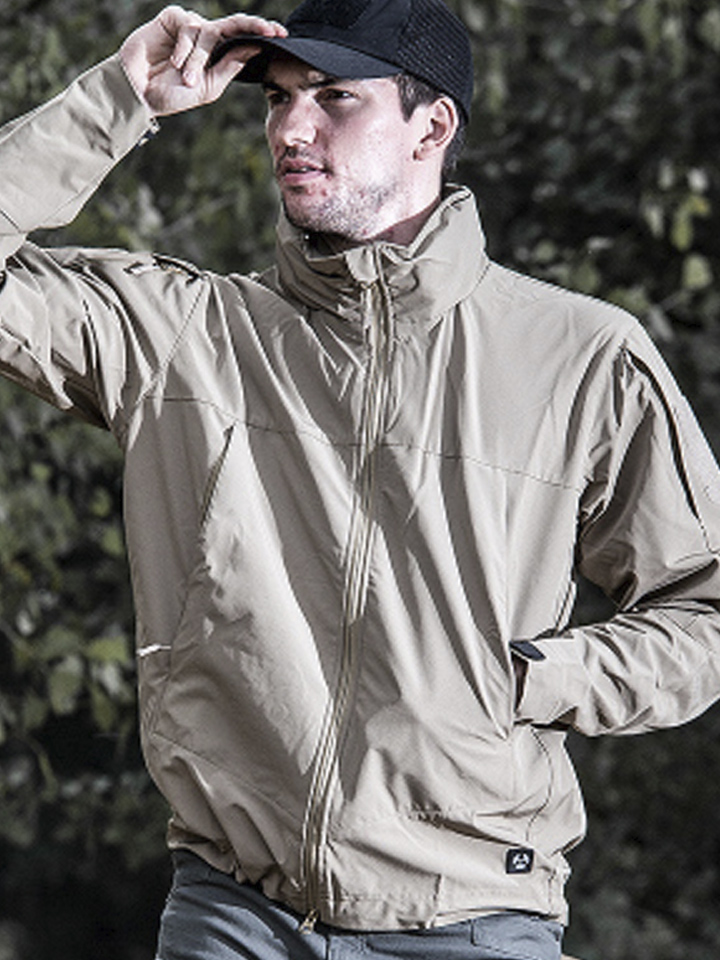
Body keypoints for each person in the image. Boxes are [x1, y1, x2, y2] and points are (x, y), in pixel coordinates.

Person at [2, 0, 720, 957]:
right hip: (235, 912)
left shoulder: (582, 355)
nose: (290, 129)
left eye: (334, 96)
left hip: (471, 917)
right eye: (278, 98)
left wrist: (524, 680)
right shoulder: (184, 335)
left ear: (433, 125)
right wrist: (118, 97)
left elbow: (704, 612)